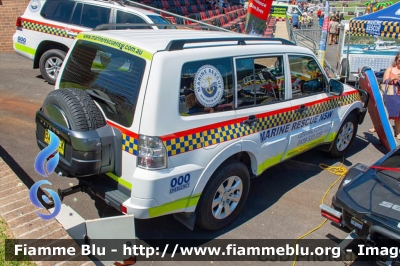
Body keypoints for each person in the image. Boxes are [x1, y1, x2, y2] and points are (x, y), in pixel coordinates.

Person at [383, 52, 400, 139]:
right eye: (399, 61)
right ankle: (381, 129)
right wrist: (394, 78)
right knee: (387, 113)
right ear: (396, 60)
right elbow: (385, 82)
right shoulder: (390, 69)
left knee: (398, 115)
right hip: (391, 94)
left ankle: (398, 132)